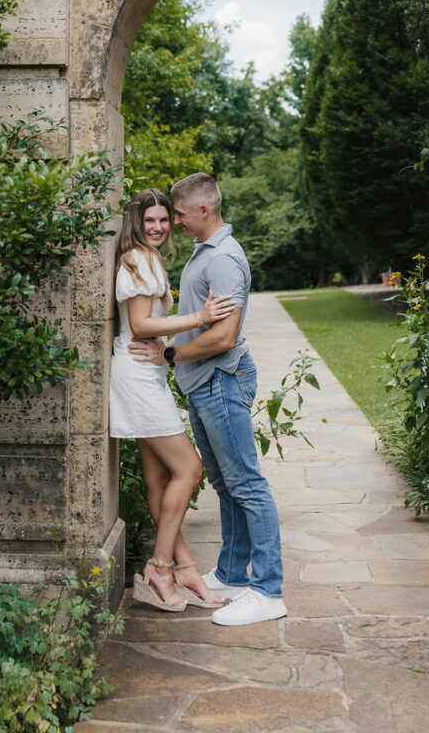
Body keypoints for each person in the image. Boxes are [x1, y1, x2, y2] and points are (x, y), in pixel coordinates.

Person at [129, 173, 286, 627]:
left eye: (178, 213)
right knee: (225, 484)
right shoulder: (205, 253)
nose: (173, 221)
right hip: (203, 383)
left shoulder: (224, 260)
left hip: (221, 379)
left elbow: (224, 335)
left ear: (203, 211)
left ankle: (269, 589)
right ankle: (235, 576)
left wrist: (171, 353)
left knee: (248, 485)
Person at [110, 187, 235, 613]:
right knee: (190, 468)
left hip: (146, 374)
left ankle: (185, 569)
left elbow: (147, 326)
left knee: (159, 481)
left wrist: (163, 339)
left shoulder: (146, 258)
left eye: (165, 219)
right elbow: (142, 323)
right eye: (151, 221)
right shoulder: (140, 259)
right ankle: (160, 567)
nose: (160, 227)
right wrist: (200, 318)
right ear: (137, 223)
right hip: (139, 380)